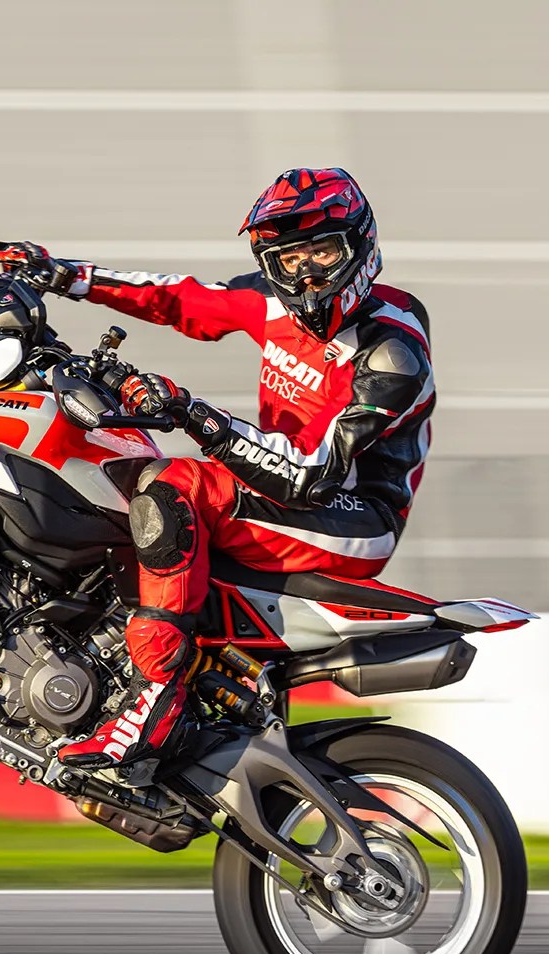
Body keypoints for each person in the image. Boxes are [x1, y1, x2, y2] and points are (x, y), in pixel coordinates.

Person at [31, 168, 434, 770]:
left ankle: (155, 700)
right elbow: (179, 298)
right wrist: (59, 274)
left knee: (172, 486)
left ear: (360, 245)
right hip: (282, 496)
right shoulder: (271, 303)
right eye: (289, 258)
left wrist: (193, 413)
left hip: (350, 517)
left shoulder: (392, 350)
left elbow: (309, 475)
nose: (307, 273)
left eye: (323, 251)